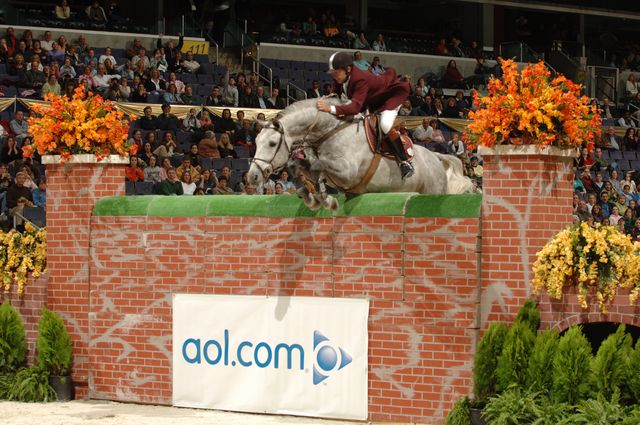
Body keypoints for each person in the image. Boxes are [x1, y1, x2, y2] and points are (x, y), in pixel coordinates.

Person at [317, 51, 413, 178]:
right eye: (333, 73)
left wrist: (330, 108)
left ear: (348, 69)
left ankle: (404, 162)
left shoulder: (359, 78)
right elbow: (336, 94)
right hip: (371, 101)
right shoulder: (341, 77)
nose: (334, 76)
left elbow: (355, 107)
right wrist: (328, 99)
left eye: (336, 72)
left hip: (390, 96)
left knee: (384, 125)